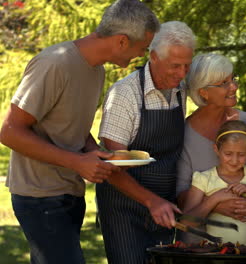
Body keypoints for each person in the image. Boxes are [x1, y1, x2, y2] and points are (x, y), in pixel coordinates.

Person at [0, 1, 158, 263]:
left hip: (69, 192)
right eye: (143, 47)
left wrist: (97, 154)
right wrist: (77, 162)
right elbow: (9, 132)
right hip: (39, 196)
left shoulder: (96, 70)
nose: (141, 55)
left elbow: (75, 129)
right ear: (121, 41)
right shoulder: (54, 63)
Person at [95, 21, 196, 263]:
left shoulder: (180, 89)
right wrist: (152, 201)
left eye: (187, 65)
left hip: (164, 207)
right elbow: (111, 166)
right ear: (153, 56)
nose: (182, 74)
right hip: (124, 209)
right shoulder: (125, 94)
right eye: (175, 66)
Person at [176, 53, 246, 242]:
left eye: (233, 79)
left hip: (245, 243)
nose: (234, 87)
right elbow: (180, 193)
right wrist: (216, 205)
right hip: (198, 246)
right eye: (224, 83)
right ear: (203, 92)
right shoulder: (183, 133)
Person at [183, 120, 246, 246]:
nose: (234, 160)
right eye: (228, 154)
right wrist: (214, 199)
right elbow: (187, 222)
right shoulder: (204, 179)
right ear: (216, 149)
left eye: (241, 154)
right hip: (215, 255)